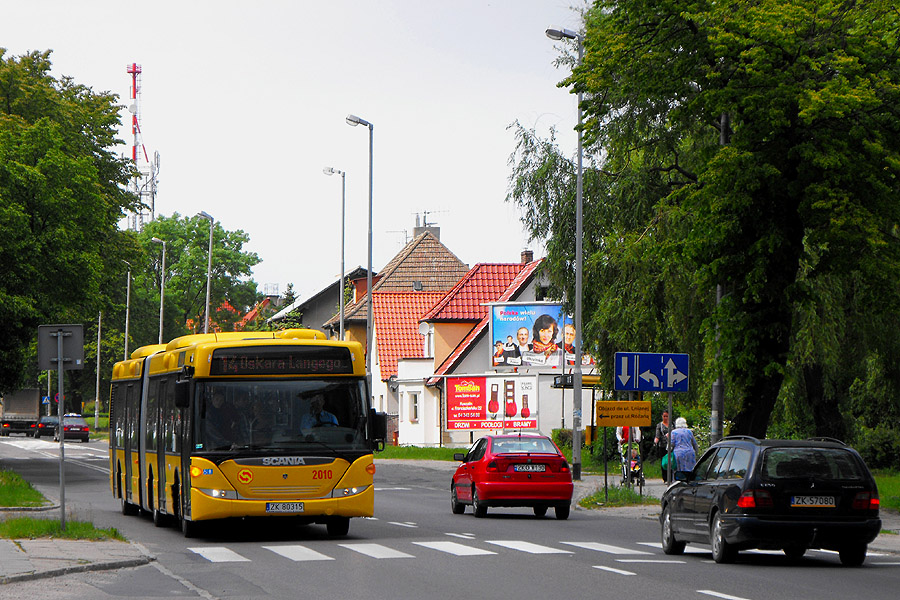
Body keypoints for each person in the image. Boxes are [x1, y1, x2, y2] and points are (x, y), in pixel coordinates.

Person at [654, 410, 671, 481]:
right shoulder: (659, 425)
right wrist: (655, 442)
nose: (665, 418)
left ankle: (671, 477)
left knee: (671, 461)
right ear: (662, 416)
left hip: (671, 446)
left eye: (667, 416)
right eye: (664, 416)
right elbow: (657, 436)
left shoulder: (672, 425)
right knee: (664, 462)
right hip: (663, 446)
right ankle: (665, 478)